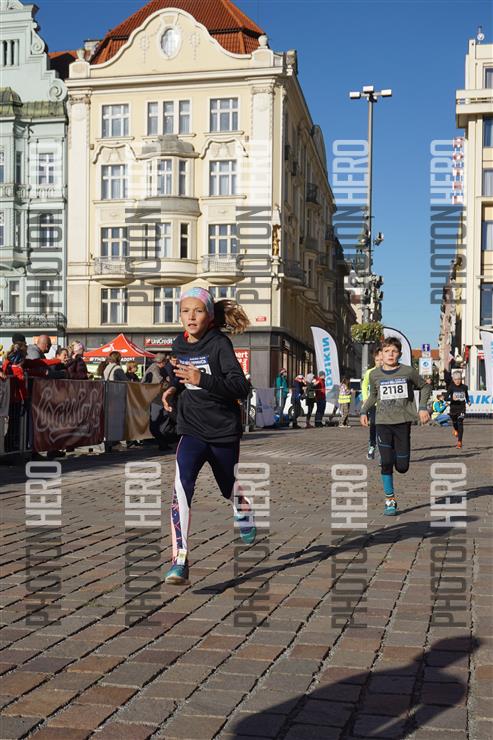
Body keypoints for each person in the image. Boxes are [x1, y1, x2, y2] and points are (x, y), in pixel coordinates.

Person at [161, 287, 254, 585]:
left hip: (222, 429)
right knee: (181, 486)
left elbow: (241, 387)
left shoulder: (219, 344)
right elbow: (179, 374)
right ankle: (179, 560)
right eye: (185, 311)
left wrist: (202, 379)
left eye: (198, 311)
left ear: (209, 316)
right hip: (191, 428)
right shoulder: (179, 344)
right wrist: (172, 388)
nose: (191, 316)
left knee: (227, 486)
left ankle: (242, 506)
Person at [360, 336, 431, 516]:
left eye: (394, 351)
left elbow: (425, 387)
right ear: (381, 354)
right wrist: (363, 411)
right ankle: (390, 499)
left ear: (399, 354)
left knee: (402, 466)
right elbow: (373, 395)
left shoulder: (408, 371)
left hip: (402, 423)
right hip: (382, 422)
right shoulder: (375, 374)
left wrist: (423, 407)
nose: (390, 354)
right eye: (387, 351)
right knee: (386, 462)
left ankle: (393, 457)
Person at [361, 348, 383, 458]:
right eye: (377, 360)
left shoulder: (387, 372)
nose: (379, 362)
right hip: (373, 403)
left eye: (381, 360)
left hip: (385, 404)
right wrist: (365, 398)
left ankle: (383, 447)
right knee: (374, 423)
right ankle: (372, 445)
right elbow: (364, 385)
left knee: (383, 426)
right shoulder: (370, 372)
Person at [445, 370, 471, 449]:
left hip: (462, 408)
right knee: (455, 422)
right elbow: (446, 397)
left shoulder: (464, 387)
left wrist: (468, 401)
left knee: (460, 422)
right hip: (453, 408)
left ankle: (460, 442)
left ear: (461, 379)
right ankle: (455, 429)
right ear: (453, 380)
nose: (457, 381)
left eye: (459, 379)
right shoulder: (451, 387)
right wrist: (451, 399)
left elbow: (466, 395)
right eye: (456, 379)